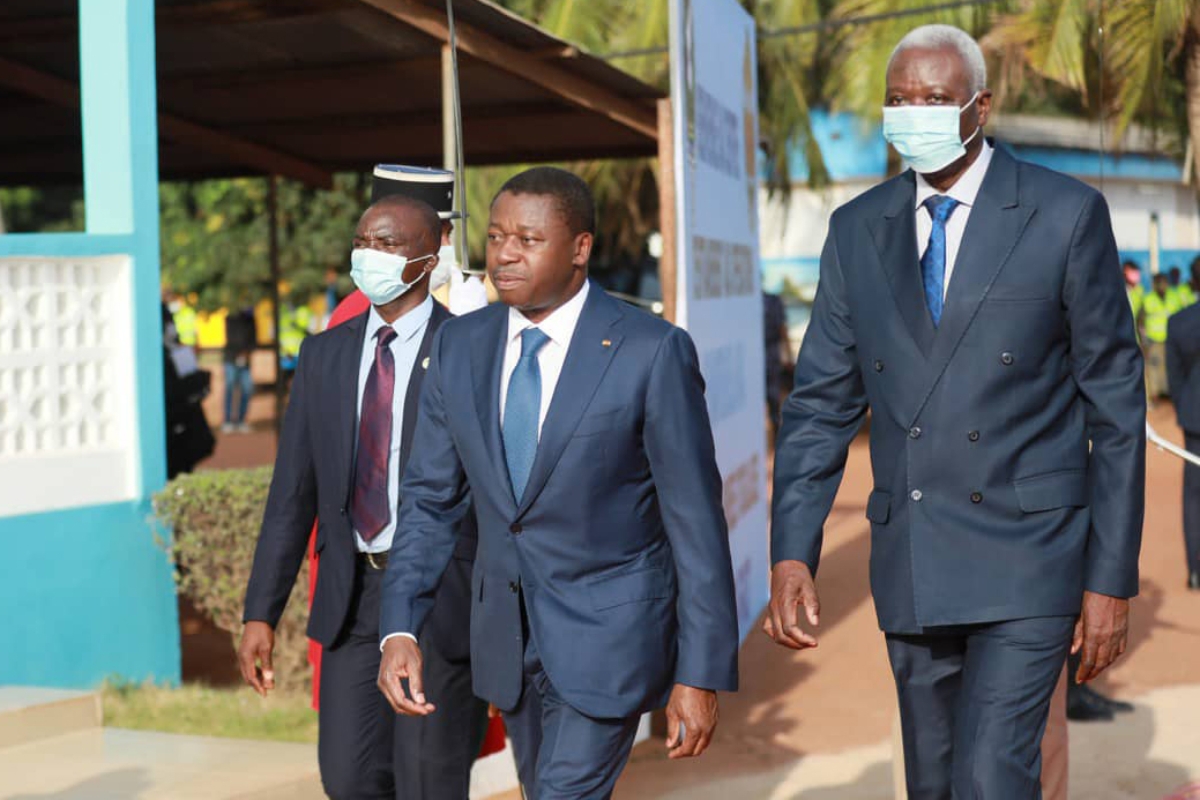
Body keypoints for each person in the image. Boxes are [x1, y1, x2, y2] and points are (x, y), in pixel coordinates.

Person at [766, 25, 1145, 798]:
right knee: (935, 782)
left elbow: (1117, 408)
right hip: (914, 555)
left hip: (1030, 554)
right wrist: (792, 551)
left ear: (980, 107)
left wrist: (1110, 579)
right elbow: (818, 408)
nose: (913, 114)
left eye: (934, 99)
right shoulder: (855, 230)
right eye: (899, 99)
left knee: (990, 777)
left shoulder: (1064, 213)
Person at [377, 167, 739, 800]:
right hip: (505, 644)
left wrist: (700, 672)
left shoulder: (650, 352)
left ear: (580, 248)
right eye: (494, 237)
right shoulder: (460, 347)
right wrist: (400, 627)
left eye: (527, 238)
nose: (505, 253)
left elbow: (695, 524)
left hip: (611, 642)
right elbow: (430, 501)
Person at [239, 194, 486, 800]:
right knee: (348, 778)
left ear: (428, 261)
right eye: (362, 242)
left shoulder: (469, 350)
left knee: (428, 780)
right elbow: (292, 493)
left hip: (437, 596)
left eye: (387, 244)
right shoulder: (324, 354)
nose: (368, 254)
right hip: (354, 596)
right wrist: (260, 612)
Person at [1167, 300, 1200, 591]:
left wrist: (1184, 406)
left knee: (1193, 495)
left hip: (1194, 415)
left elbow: (1174, 377)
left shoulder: (1179, 321)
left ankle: (1195, 571)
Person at [1143, 272, 1181, 400]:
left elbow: (1181, 317)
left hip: (1171, 340)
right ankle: (1155, 395)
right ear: (1154, 285)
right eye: (1158, 282)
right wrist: (1143, 339)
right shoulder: (1148, 299)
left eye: (1163, 282)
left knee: (1170, 367)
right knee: (1154, 368)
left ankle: (1169, 394)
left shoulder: (1174, 297)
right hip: (1154, 340)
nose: (1161, 285)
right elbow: (1140, 320)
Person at [222, 303, 256, 433]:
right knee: (230, 387)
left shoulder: (250, 319)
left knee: (247, 389)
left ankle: (241, 420)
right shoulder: (230, 317)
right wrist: (238, 352)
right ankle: (228, 420)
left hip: (245, 360)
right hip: (231, 358)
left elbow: (254, 339)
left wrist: (247, 352)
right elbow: (230, 337)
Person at [762, 290, 790, 441]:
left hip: (768, 356)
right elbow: (783, 329)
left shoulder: (771, 301)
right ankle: (776, 435)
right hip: (771, 356)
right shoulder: (773, 300)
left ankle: (776, 435)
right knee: (774, 399)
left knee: (773, 399)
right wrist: (788, 354)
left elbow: (782, 328)